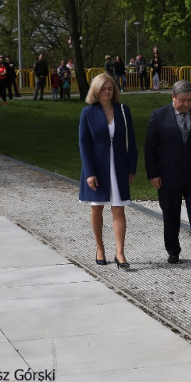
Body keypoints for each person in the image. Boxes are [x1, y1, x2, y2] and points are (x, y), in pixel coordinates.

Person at [144, 80, 191, 265]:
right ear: (173, 97)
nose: (186, 104)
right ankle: (173, 251)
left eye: (189, 100)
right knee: (170, 214)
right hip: (168, 175)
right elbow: (150, 148)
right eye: (182, 100)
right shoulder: (159, 116)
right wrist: (153, 174)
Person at [78, 74, 138, 269]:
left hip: (119, 166)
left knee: (118, 209)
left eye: (110, 88)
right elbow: (84, 143)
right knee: (97, 208)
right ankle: (100, 248)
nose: (107, 92)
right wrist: (89, 172)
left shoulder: (123, 110)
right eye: (103, 88)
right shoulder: (88, 112)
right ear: (96, 90)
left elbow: (132, 142)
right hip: (97, 167)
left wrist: (131, 167)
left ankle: (120, 253)